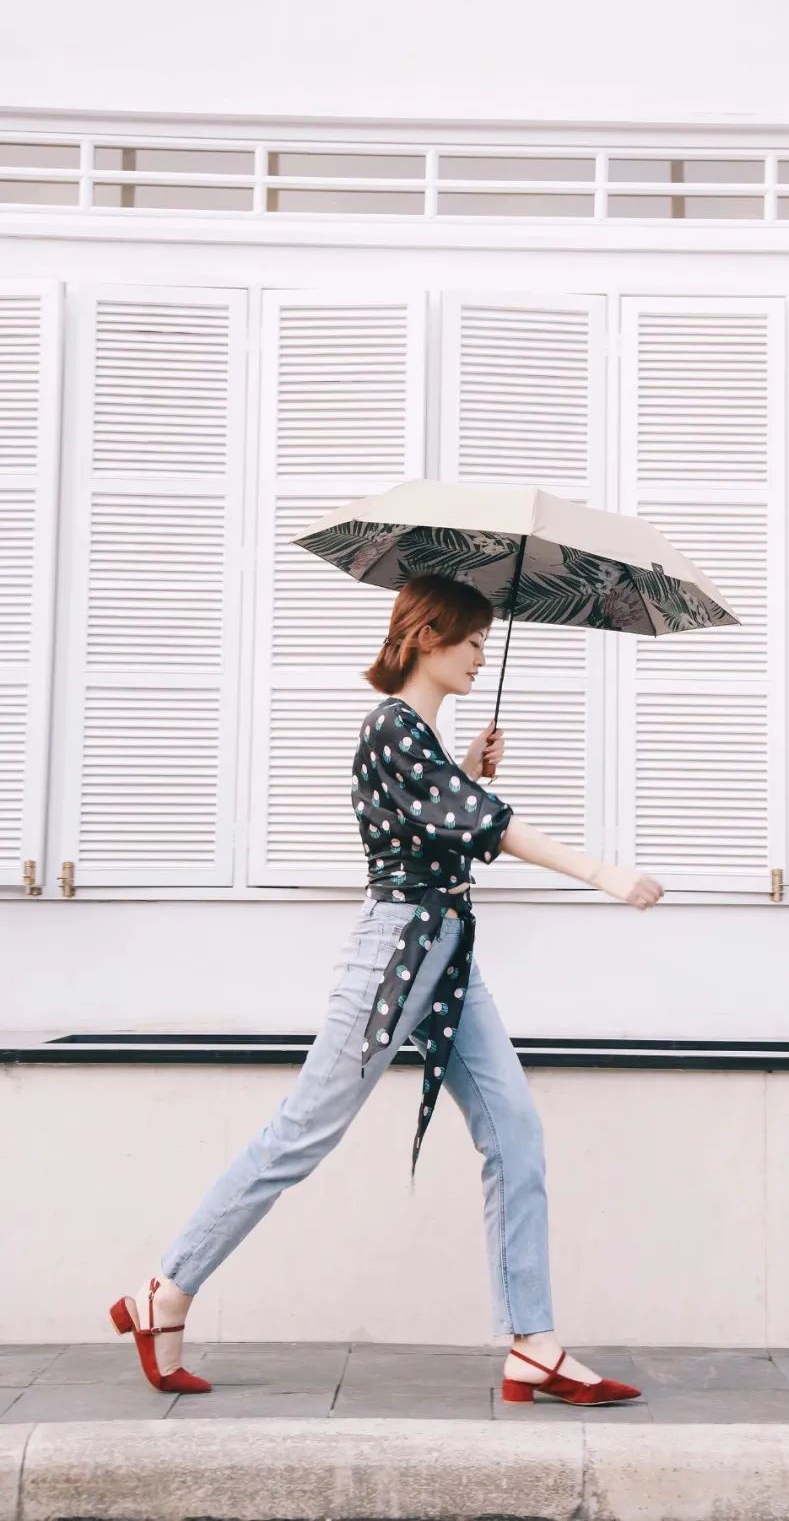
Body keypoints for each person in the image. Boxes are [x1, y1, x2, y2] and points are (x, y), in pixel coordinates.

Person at [110, 572, 664, 1406]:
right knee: (303, 1132)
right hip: (394, 951)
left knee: (514, 1131)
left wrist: (466, 766)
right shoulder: (390, 729)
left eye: (484, 644)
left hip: (444, 953)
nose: (482, 656)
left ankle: (532, 1344)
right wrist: (601, 871)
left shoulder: (422, 742)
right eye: (472, 641)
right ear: (429, 637)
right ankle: (167, 1288)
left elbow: (443, 819)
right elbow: (487, 828)